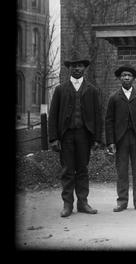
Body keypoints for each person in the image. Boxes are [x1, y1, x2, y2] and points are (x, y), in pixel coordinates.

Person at [48, 54, 103, 218]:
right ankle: (67, 204)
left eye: (80, 66)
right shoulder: (60, 89)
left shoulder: (92, 90)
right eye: (74, 66)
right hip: (66, 136)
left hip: (84, 136)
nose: (77, 68)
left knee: (83, 169)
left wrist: (97, 139)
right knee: (67, 170)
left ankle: (83, 203)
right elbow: (53, 115)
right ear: (69, 69)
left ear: (84, 68)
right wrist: (53, 138)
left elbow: (97, 115)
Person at [105, 64, 136, 213]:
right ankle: (122, 201)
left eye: (129, 75)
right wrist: (111, 141)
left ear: (133, 79)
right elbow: (109, 121)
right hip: (121, 140)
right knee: (122, 171)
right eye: (124, 75)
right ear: (120, 78)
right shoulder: (114, 98)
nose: (126, 77)